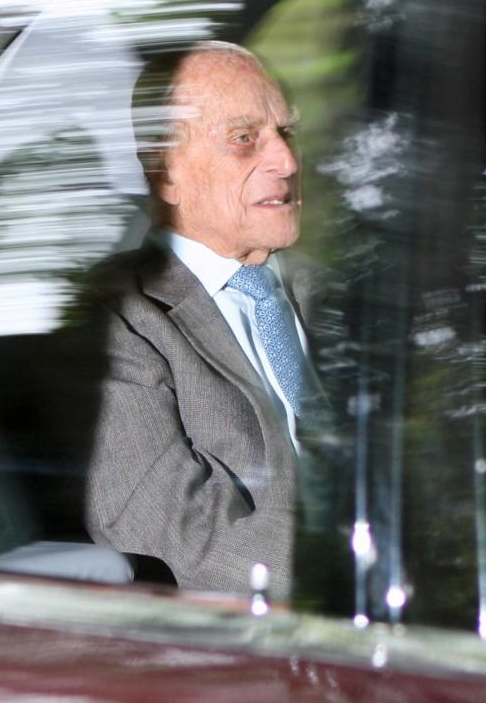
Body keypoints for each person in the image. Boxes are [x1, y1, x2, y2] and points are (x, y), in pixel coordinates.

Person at [84, 42, 337, 601]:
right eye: (245, 139)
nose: (287, 163)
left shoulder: (343, 295)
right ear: (166, 171)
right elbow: (169, 527)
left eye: (286, 134)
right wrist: (363, 568)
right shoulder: (116, 318)